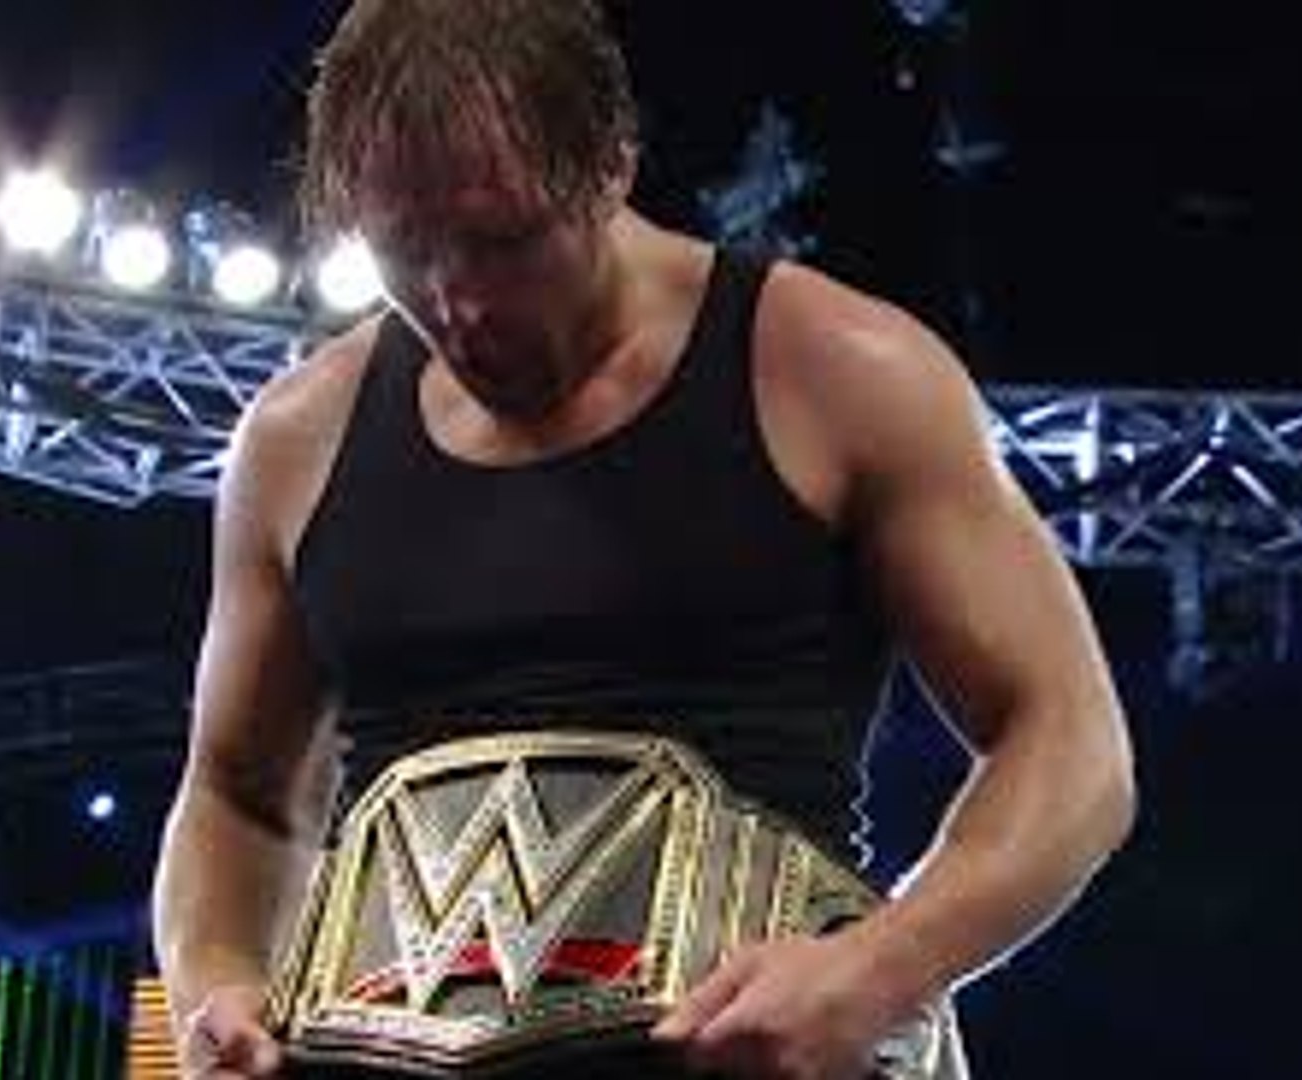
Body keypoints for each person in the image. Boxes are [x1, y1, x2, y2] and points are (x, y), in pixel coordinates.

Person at [151, 1, 1137, 1078]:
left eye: (501, 242)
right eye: (404, 249)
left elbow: (1071, 746)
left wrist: (881, 967)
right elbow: (234, 795)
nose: (457, 302)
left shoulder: (834, 368)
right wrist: (214, 983)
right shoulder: (296, 438)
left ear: (610, 164)